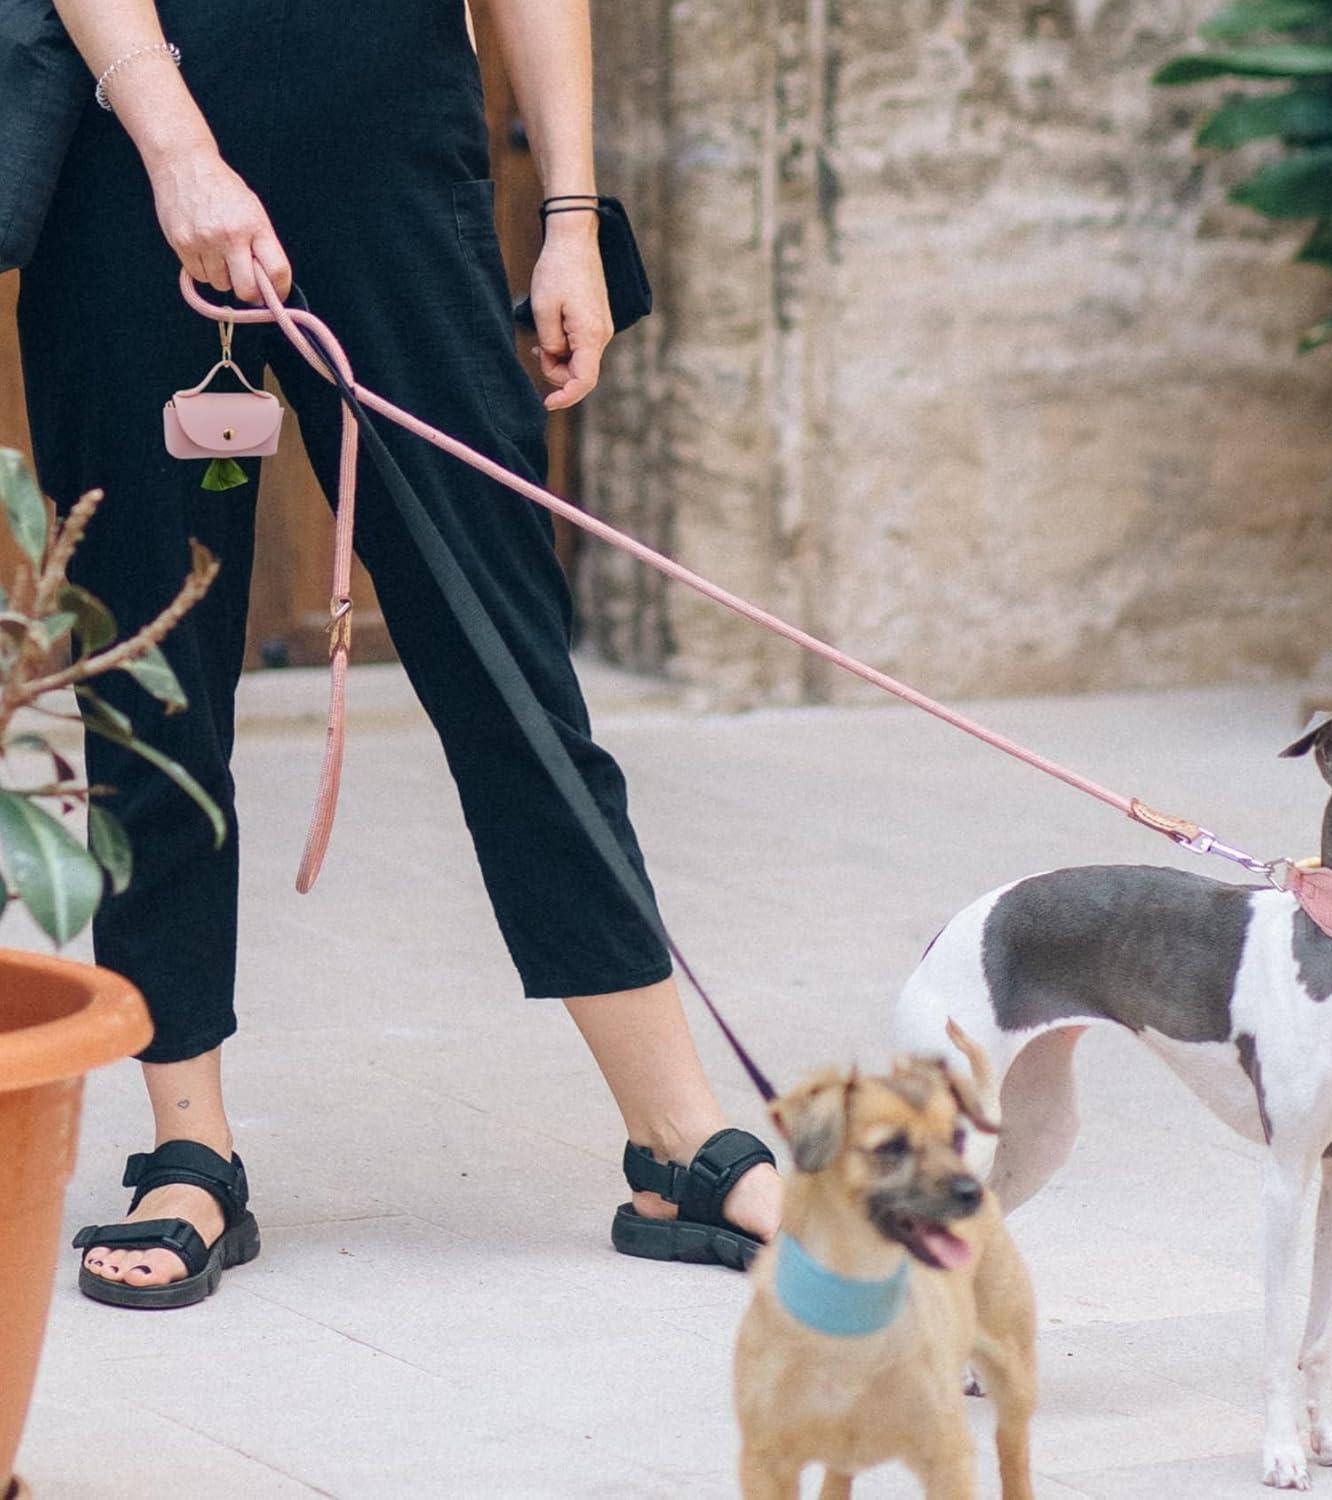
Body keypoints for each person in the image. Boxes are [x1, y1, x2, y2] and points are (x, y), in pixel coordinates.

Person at [22, 0, 780, 1308]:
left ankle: (679, 1143)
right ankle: (187, 1143)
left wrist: (573, 217)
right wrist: (177, 146)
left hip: (397, 166)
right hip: (129, 176)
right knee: (150, 675)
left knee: (505, 646)